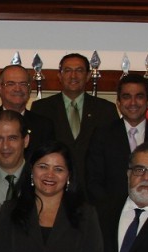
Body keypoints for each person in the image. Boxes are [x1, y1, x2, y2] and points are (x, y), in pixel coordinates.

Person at [86, 74, 148, 207]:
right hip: (111, 213)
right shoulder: (102, 136)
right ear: (118, 102)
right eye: (126, 97)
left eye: (139, 96)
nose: (133, 102)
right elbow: (93, 181)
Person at [30, 53, 117, 185]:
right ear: (60, 76)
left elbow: (111, 155)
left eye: (79, 71)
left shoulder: (106, 109)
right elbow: (36, 153)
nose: (73, 76)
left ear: (88, 76)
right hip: (53, 187)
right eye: (68, 70)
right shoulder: (41, 108)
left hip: (93, 189)